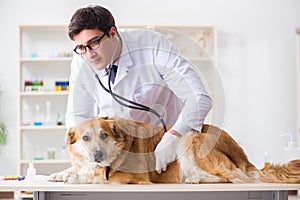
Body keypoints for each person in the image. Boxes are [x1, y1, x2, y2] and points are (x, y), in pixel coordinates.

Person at [65, 5, 212, 174]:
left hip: (162, 148)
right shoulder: (81, 60)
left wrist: (174, 137)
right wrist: (85, 157)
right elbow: (77, 115)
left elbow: (199, 97)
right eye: (82, 47)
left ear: (113, 33)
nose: (89, 54)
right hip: (113, 153)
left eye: (94, 42)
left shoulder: (153, 45)